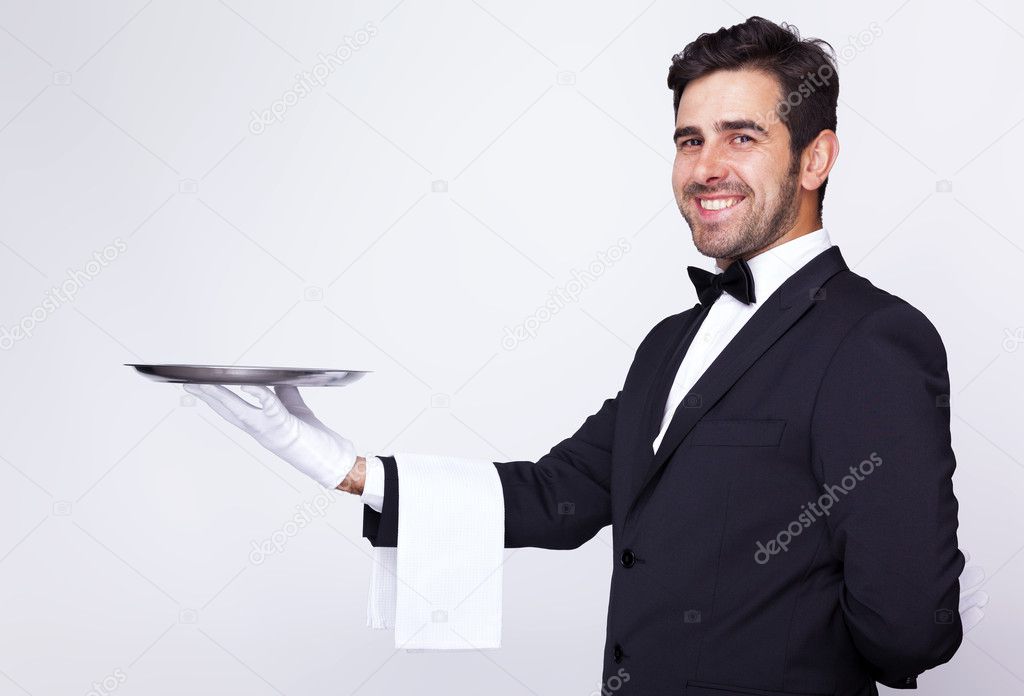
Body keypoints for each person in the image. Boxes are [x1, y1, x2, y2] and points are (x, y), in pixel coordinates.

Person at [185, 16, 983, 695]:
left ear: (815, 159)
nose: (706, 168)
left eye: (743, 138)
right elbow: (557, 497)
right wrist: (328, 458)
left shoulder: (873, 339)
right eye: (689, 140)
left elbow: (909, 629)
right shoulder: (669, 344)